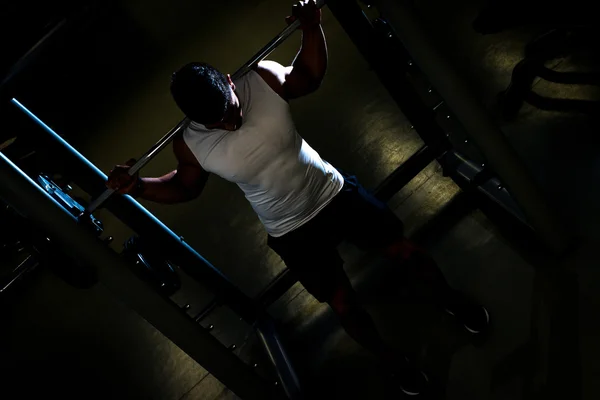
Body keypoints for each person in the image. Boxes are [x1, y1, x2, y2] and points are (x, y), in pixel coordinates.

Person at [107, 0, 489, 395]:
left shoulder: (260, 78)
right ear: (194, 121)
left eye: (230, 110)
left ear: (229, 81)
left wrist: (311, 27)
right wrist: (138, 186)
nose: (229, 122)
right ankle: (396, 364)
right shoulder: (191, 144)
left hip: (332, 191)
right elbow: (185, 187)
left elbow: (307, 76)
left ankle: (453, 302)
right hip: (290, 229)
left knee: (404, 250)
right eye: (216, 123)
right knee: (343, 303)